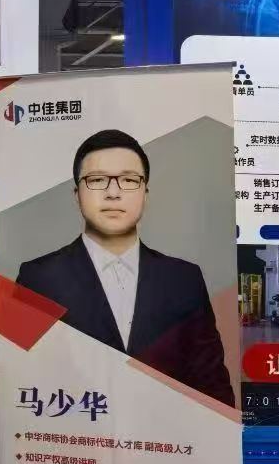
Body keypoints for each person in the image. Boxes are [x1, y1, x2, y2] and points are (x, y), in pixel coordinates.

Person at [15, 129, 234, 407]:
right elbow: (24, 381)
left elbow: (213, 389)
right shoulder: (38, 278)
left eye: (129, 180)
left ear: (145, 193)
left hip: (167, 432)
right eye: (97, 180)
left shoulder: (184, 279)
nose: (113, 193)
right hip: (77, 428)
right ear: (77, 194)